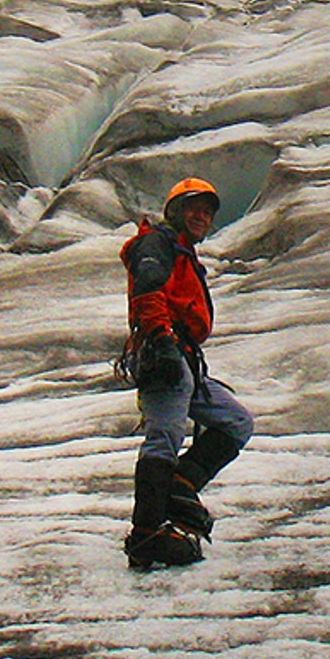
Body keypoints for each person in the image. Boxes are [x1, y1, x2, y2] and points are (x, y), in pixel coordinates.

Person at [120, 177, 256, 571]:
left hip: (183, 356)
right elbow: (147, 288)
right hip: (165, 350)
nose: (202, 216)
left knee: (235, 422)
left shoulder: (179, 251)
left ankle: (179, 487)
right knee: (165, 434)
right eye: (194, 208)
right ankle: (146, 533)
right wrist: (160, 337)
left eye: (208, 211)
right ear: (175, 211)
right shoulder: (157, 245)